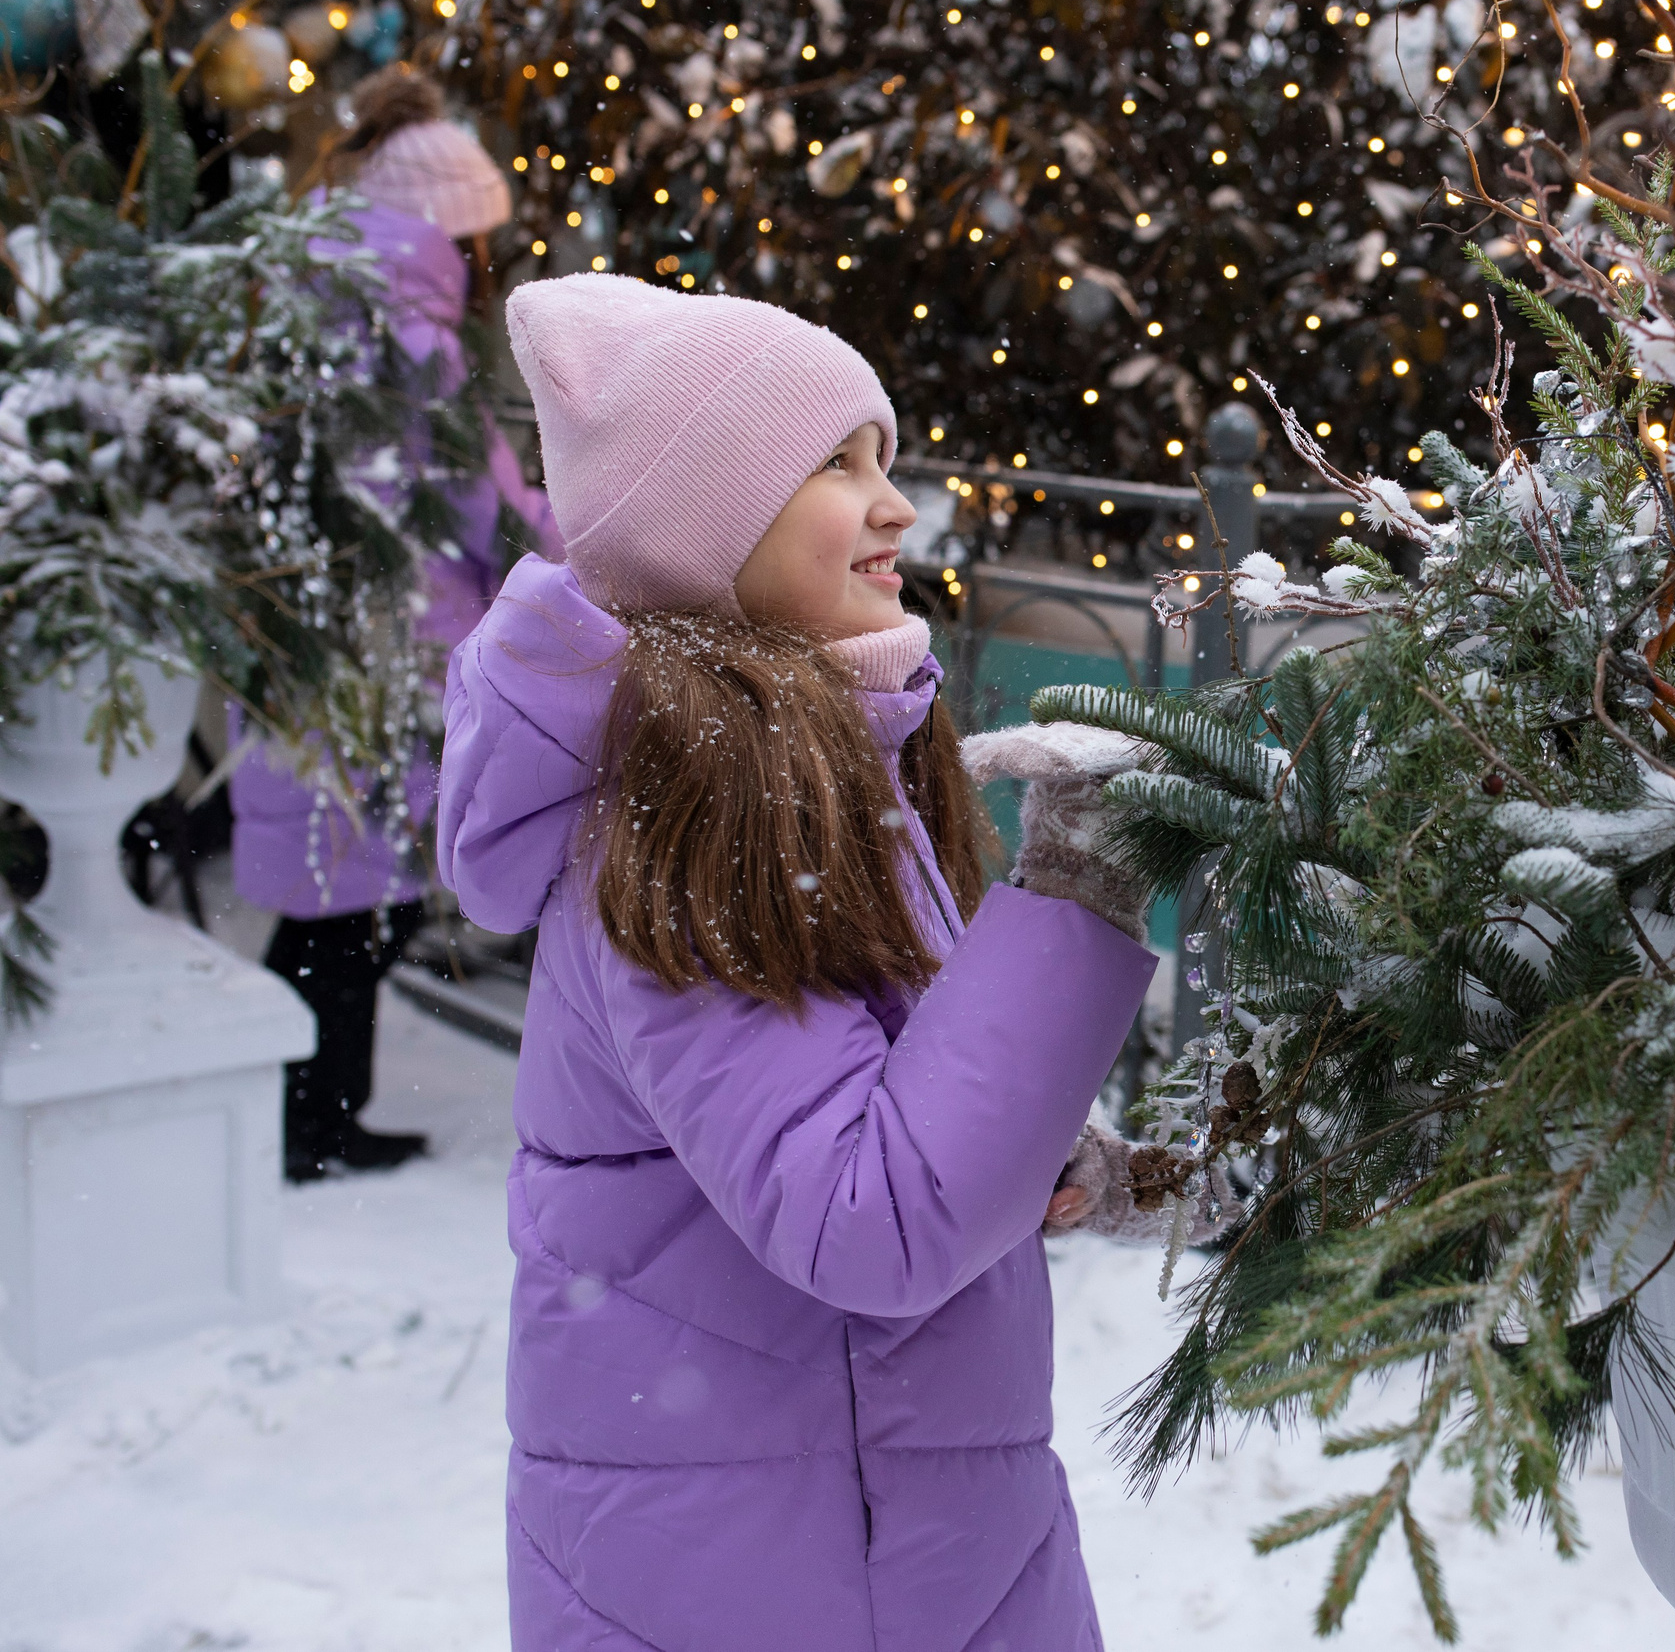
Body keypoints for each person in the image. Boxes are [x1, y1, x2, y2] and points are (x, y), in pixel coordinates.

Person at [437, 273, 1176, 1650]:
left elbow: (873, 1113)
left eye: (883, 457)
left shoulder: (823, 764)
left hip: (896, 1539)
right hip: (775, 1577)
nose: (896, 505)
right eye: (836, 464)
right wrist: (1074, 886)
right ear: (703, 524)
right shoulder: (697, 802)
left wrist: (1043, 1157)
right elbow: (869, 1216)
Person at [228, 67, 558, 1183]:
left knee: (331, 904)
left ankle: (307, 1118)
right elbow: (477, 499)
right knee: (346, 913)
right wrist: (571, 537)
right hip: (384, 655)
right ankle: (314, 1125)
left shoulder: (312, 313)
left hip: (313, 641)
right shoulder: (409, 344)